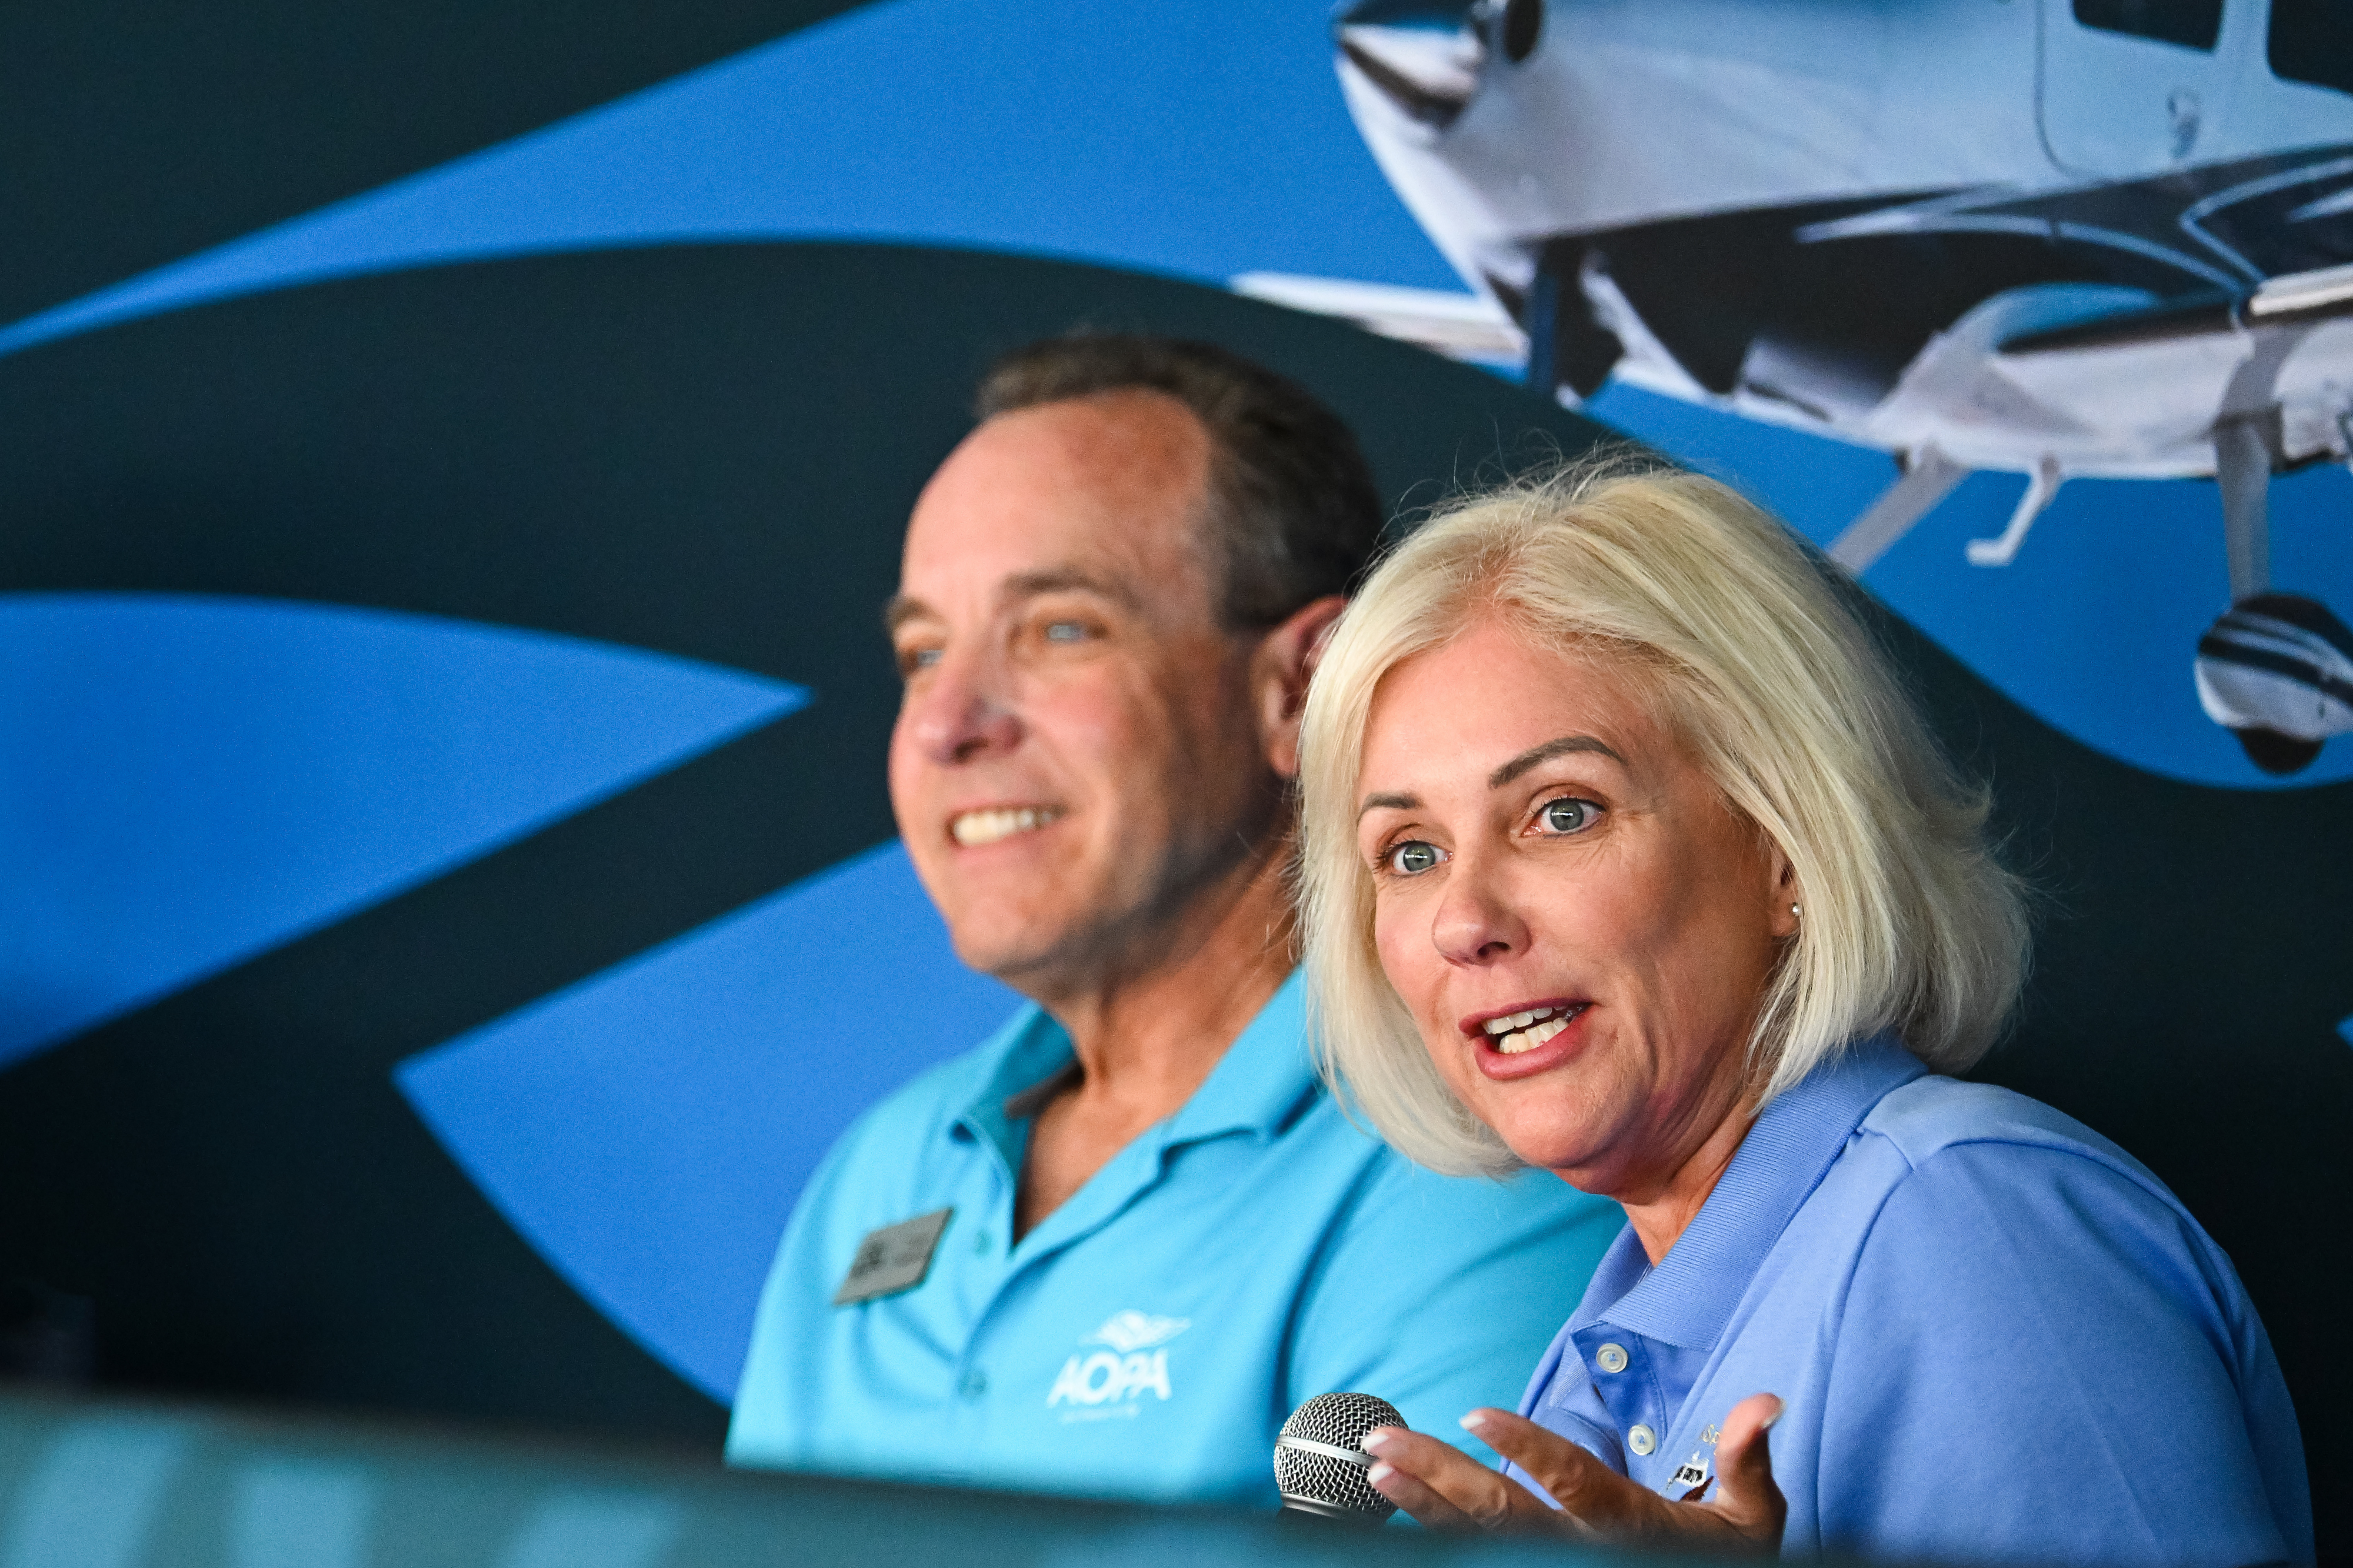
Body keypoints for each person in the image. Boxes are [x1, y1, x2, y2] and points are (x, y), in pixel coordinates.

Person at [1292, 461, 2313, 1563]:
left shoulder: (1972, 1229)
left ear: (1788, 850)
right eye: (1410, 852)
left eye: (1562, 811)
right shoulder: (1622, 1315)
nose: (1463, 920)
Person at [725, 336, 1620, 1503]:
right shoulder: (882, 1172)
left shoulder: (1473, 1144)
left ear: (1301, 690)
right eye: (920, 653)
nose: (947, 726)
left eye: (1057, 629)